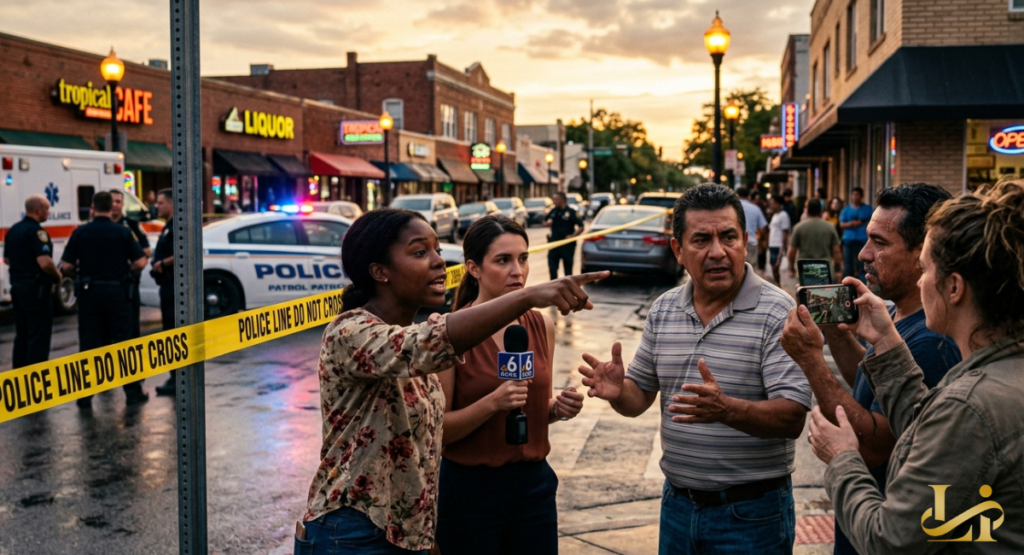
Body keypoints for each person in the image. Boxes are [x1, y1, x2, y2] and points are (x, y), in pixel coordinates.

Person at [296, 207, 608, 554]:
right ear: (379, 272)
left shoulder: (412, 336)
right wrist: (528, 296)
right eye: (419, 252)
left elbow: (428, 444)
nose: (438, 262)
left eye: (438, 251)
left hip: (407, 531)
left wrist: (426, 534)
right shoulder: (349, 333)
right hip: (352, 532)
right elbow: (428, 343)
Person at [578, 184, 811, 555]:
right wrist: (618, 390)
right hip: (678, 508)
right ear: (678, 250)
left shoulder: (777, 312)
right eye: (701, 239)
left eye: (728, 237)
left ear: (746, 241)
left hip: (751, 515)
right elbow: (638, 397)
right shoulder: (664, 309)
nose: (718, 252)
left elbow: (792, 417)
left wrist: (727, 409)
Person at [805, 179, 1024, 553]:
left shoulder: (970, 405)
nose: (922, 281)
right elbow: (929, 425)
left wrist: (843, 459)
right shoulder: (1000, 373)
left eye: (926, 269)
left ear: (954, 288)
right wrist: (887, 340)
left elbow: (888, 539)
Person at [781, 183, 960, 555]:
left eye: (880, 243)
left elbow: (875, 445)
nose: (864, 254)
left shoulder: (932, 342)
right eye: (867, 240)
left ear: (923, 253)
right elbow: (868, 384)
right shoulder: (893, 313)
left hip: (883, 527)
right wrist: (831, 328)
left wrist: (812, 361)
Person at [434, 215, 585, 555]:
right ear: (474, 268)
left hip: (533, 486)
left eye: (523, 258)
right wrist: (492, 403)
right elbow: (437, 430)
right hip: (471, 489)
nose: (518, 270)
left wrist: (558, 409)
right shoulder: (451, 332)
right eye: (503, 260)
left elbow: (530, 410)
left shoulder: (539, 325)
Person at [60, 191, 149, 407]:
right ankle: (132, 392)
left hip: (90, 294)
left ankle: (85, 395)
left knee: (90, 343)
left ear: (92, 207)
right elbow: (140, 261)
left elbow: (66, 266)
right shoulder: (123, 232)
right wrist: (126, 270)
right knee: (124, 342)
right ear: (111, 208)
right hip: (118, 293)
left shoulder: (80, 232)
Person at [3, 195, 61, 368]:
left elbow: (7, 260)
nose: (48, 213)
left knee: (22, 333)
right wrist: (57, 276)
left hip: (18, 288)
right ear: (38, 210)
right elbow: (45, 262)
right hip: (36, 290)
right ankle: (36, 379)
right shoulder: (37, 232)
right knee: (39, 335)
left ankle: (19, 375)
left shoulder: (14, 230)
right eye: (47, 209)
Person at [109, 189, 152, 340]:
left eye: (118, 201)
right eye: (112, 201)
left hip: (128, 285)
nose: (114, 205)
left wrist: (130, 260)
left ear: (123, 204)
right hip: (107, 285)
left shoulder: (132, 225)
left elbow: (147, 251)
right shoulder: (99, 225)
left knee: (130, 328)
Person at [150, 190, 177, 396]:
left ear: (171, 204)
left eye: (160, 203)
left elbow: (183, 252)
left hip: (173, 286)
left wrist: (161, 263)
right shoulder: (168, 226)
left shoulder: (177, 226)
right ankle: (175, 376)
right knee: (169, 330)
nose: (156, 206)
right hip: (167, 285)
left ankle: (177, 379)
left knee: (173, 330)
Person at [786, 198, 842, 279]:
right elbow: (836, 251)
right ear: (821, 212)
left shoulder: (798, 228)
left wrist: (791, 267)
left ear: (807, 211)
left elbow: (791, 252)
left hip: (805, 270)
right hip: (825, 270)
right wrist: (837, 270)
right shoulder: (830, 227)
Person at [543, 191, 584, 279]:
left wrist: (573, 236)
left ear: (563, 200)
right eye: (554, 199)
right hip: (554, 244)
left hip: (567, 245)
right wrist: (547, 223)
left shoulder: (571, 212)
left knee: (568, 272)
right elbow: (544, 221)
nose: (554, 201)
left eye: (556, 199)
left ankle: (568, 291)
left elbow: (581, 226)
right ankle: (554, 290)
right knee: (552, 270)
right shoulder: (553, 211)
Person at [839, 187, 872, 280]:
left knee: (862, 264)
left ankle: (863, 283)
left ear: (861, 196)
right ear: (851, 196)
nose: (855, 197)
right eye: (853, 195)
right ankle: (847, 282)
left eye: (857, 195)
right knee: (848, 264)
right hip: (848, 239)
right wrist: (852, 223)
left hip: (862, 240)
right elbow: (841, 224)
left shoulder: (867, 208)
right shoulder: (846, 210)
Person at [737, 187, 768, 269]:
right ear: (749, 196)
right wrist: (762, 240)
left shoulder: (732, 208)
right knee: (751, 268)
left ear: (737, 195)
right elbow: (763, 227)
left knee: (737, 268)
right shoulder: (755, 208)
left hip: (736, 242)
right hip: (752, 242)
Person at [768, 195, 791, 285]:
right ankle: (777, 285)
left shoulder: (783, 215)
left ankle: (779, 286)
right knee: (773, 267)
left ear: (778, 204)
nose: (771, 206)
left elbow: (785, 233)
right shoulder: (775, 215)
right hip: (772, 245)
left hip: (778, 245)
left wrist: (782, 249)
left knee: (775, 267)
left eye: (772, 204)